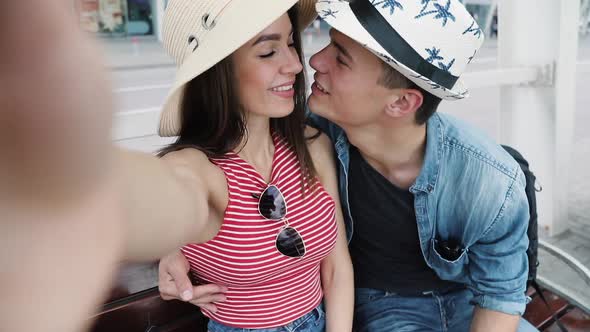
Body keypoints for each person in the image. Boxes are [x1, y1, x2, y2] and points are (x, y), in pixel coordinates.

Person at [159, 0, 538, 331]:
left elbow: (501, 296)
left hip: (466, 298)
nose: (310, 61)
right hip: (382, 303)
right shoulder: (309, 126)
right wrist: (173, 242)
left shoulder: (490, 181)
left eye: (340, 57)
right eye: (327, 43)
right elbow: (204, 168)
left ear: (401, 104)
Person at [0, 0, 354, 332]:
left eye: (291, 43)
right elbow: (160, 192)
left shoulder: (313, 146)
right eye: (267, 51)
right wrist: (41, 178)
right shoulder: (201, 170)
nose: (295, 64)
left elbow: (336, 267)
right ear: (219, 72)